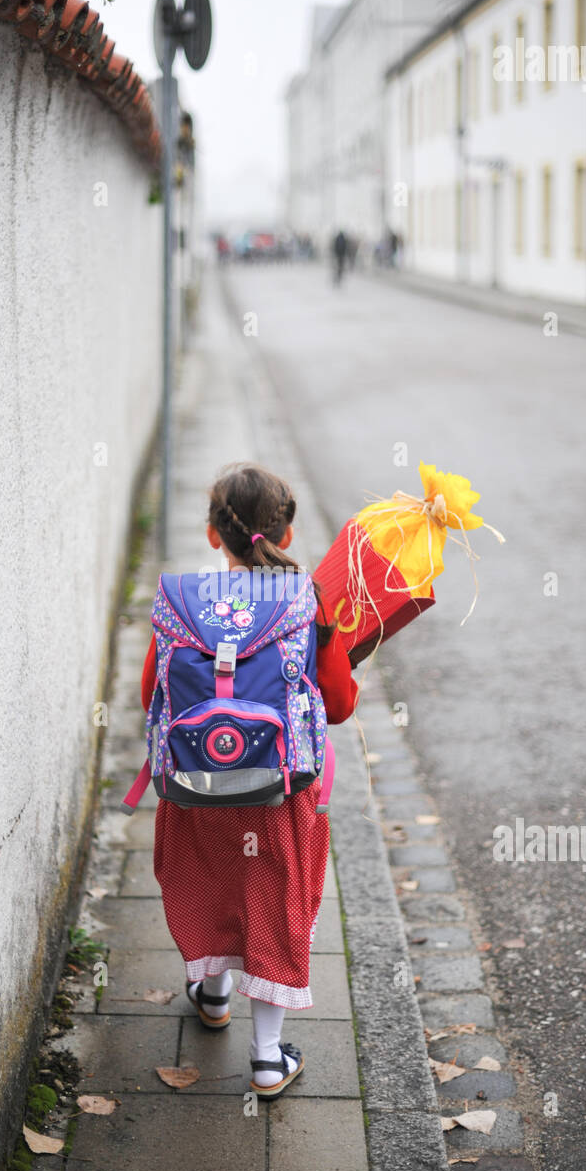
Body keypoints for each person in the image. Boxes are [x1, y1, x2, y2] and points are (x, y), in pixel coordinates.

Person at [139, 463, 359, 1100]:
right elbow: (339, 705)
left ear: (214, 534)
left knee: (211, 887)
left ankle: (212, 997)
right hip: (283, 792)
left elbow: (149, 692)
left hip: (195, 785)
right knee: (273, 903)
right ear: (285, 533)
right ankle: (267, 1060)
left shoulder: (178, 598)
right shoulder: (307, 601)